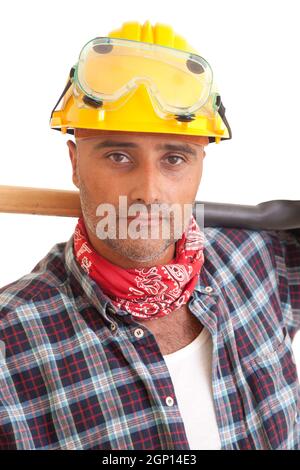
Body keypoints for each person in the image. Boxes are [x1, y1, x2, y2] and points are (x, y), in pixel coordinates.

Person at [0, 20, 299, 451]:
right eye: (118, 155)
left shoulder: (260, 261)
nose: (149, 192)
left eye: (175, 158)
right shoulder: (11, 345)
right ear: (74, 162)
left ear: (200, 165)